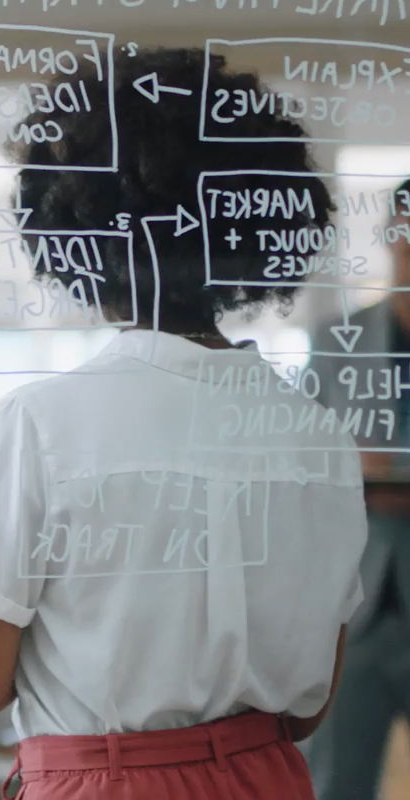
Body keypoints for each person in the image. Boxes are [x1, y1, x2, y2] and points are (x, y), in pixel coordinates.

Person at [0, 47, 368, 800]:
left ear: (78, 234)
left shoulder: (41, 424)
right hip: (270, 779)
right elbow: (308, 711)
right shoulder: (321, 437)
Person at [304, 177, 410, 799]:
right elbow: (303, 472)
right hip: (357, 608)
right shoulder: (335, 343)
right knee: (339, 782)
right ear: (391, 233)